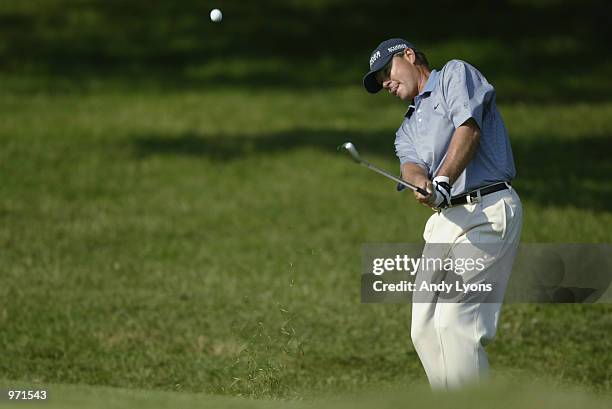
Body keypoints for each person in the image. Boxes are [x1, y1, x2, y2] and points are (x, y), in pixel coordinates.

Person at [362, 38, 523, 390]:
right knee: (422, 327)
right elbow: (410, 166)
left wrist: (444, 179)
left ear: (409, 55)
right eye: (379, 83)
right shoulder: (406, 128)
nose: (386, 83)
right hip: (444, 222)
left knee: (455, 321)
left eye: (386, 73)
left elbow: (469, 128)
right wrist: (423, 183)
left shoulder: (454, 74)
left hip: (487, 209)